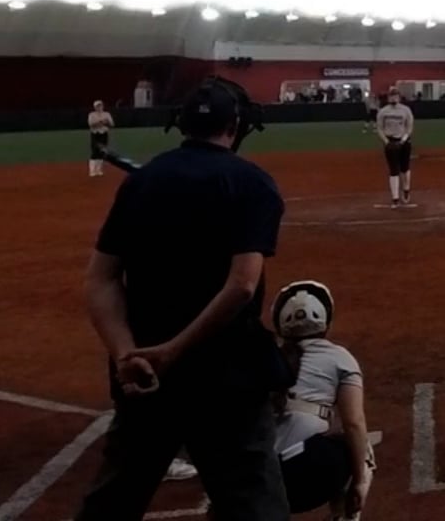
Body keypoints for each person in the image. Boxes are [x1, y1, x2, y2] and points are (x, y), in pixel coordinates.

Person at [77, 79, 290, 521]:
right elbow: (241, 286)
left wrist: (126, 353)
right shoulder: (251, 182)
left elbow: (100, 279)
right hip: (226, 377)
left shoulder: (143, 182)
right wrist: (174, 350)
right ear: (236, 125)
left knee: (113, 503)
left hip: (145, 375)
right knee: (253, 506)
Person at [270, 281, 375, 520]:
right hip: (312, 478)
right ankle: (344, 516)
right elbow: (354, 423)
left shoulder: (266, 359)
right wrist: (359, 482)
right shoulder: (340, 358)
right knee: (358, 444)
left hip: (262, 483)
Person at [375, 89, 416, 208]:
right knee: (393, 170)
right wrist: (387, 142)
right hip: (390, 141)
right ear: (388, 98)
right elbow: (379, 128)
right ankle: (395, 198)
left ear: (399, 97)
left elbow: (409, 126)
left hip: (403, 141)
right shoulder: (383, 111)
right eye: (391, 96)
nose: (393, 98)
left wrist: (403, 140)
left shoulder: (406, 110)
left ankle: (406, 189)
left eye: (395, 96)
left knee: (405, 168)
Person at [88, 101, 115, 178]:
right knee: (94, 151)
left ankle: (99, 170)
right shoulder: (92, 114)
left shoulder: (107, 114)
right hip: (95, 134)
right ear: (95, 107)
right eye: (97, 106)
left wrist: (104, 123)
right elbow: (91, 124)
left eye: (100, 106)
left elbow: (112, 124)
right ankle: (92, 171)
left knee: (102, 152)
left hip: (104, 134)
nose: (99, 107)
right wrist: (101, 122)